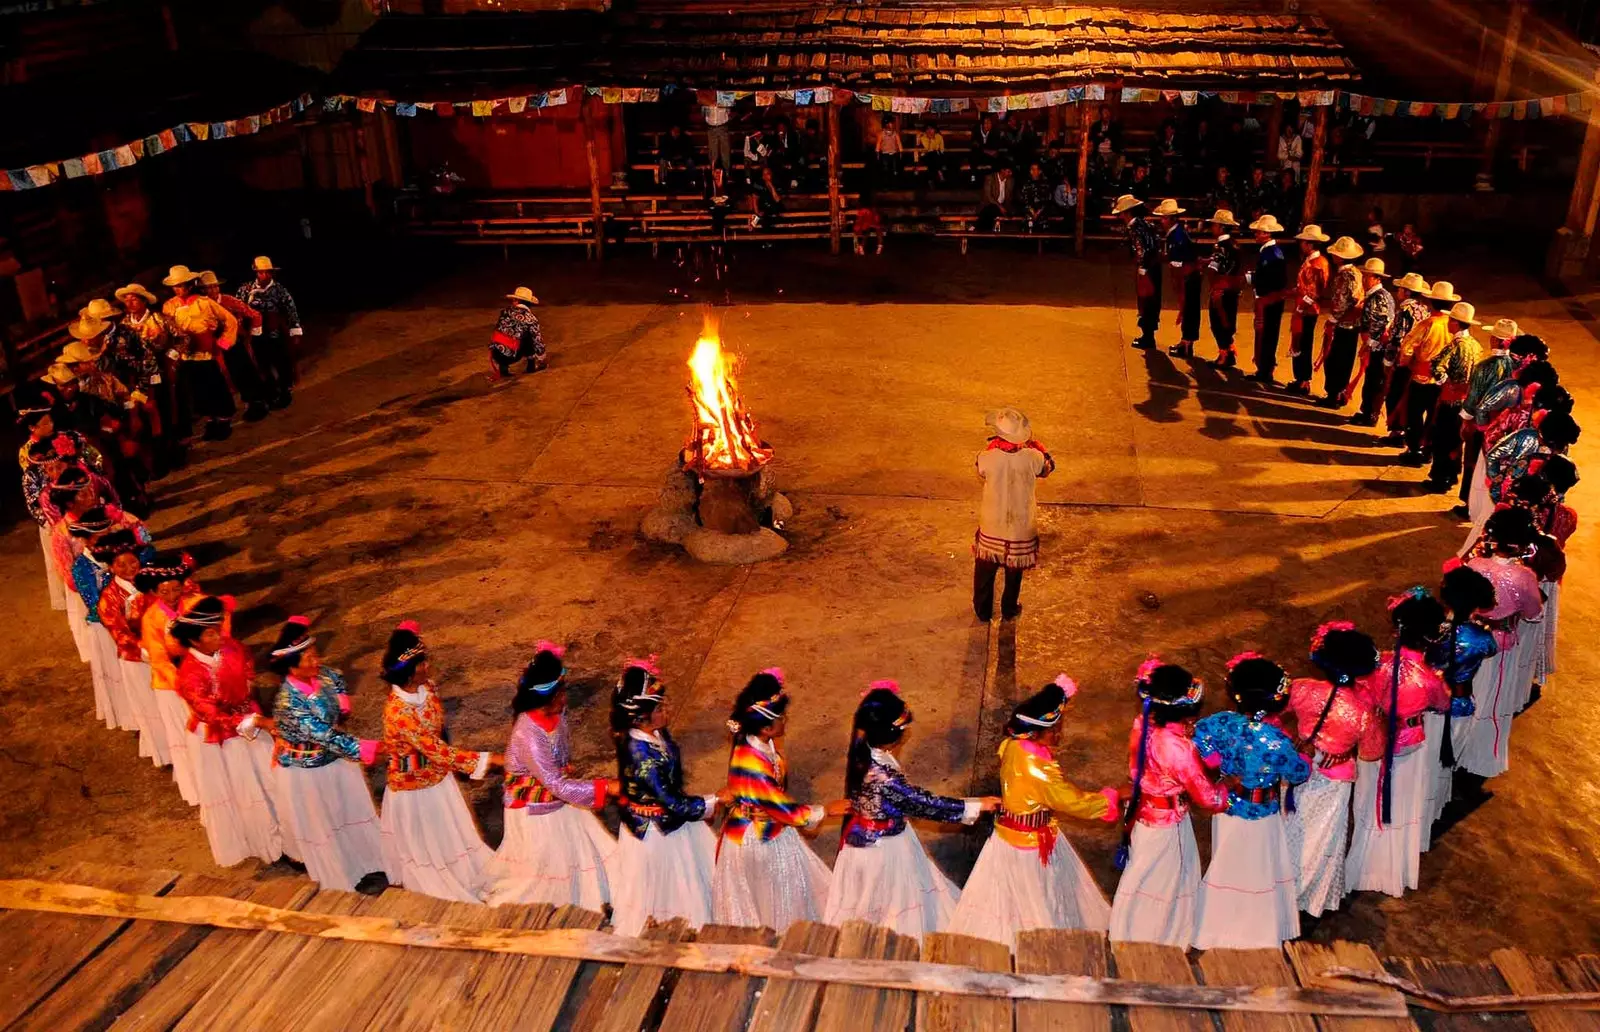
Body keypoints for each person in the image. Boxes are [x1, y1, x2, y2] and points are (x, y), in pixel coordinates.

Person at [951, 676, 1117, 947]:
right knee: (1038, 897)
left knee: (1008, 897)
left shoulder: (1012, 745)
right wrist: (1107, 799)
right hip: (1030, 844)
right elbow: (1071, 801)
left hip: (1009, 835)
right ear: (1035, 733)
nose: (1059, 734)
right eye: (1054, 729)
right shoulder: (1037, 767)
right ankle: (1040, 946)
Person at [825, 683, 997, 941]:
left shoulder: (864, 752)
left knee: (866, 908)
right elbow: (923, 804)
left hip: (865, 842)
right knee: (894, 908)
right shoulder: (882, 775)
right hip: (884, 852)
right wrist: (975, 805)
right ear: (891, 735)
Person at [483, 643, 619, 909]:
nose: (565, 698)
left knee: (588, 843)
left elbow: (558, 762)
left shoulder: (556, 713)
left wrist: (565, 768)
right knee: (548, 872)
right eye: (561, 693)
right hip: (533, 808)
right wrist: (605, 788)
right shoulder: (527, 733)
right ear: (549, 697)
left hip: (552, 794)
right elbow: (557, 785)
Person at [1190, 654, 1310, 949]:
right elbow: (1299, 773)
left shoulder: (1219, 723)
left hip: (1228, 806)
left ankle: (1218, 925)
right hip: (1261, 814)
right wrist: (1304, 753)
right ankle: (1254, 931)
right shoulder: (1276, 741)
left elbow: (1198, 738)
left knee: (1226, 863)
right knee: (1257, 871)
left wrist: (1218, 767)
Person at [378, 621, 499, 902]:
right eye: (422, 662)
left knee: (451, 838)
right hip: (414, 792)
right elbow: (438, 750)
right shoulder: (399, 714)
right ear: (410, 672)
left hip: (437, 780)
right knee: (429, 846)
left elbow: (439, 737)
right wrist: (487, 760)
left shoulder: (427, 688)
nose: (428, 666)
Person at [712, 669, 841, 932]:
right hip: (758, 840)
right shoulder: (753, 764)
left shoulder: (755, 741)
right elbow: (780, 806)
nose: (786, 721)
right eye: (782, 717)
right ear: (767, 727)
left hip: (765, 828)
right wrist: (824, 811)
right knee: (773, 897)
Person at [171, 595, 294, 868]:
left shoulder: (231, 647)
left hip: (248, 721)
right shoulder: (189, 675)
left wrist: (248, 697)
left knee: (270, 782)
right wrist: (258, 722)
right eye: (211, 634)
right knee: (247, 791)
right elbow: (212, 714)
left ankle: (288, 840)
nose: (220, 637)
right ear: (194, 641)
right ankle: (270, 846)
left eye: (219, 630)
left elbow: (247, 667)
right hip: (221, 740)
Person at [609, 658, 729, 937]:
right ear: (641, 717)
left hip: (668, 823)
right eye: (660, 708)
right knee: (669, 887)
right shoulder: (641, 756)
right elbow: (671, 802)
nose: (667, 711)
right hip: (655, 834)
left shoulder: (655, 733)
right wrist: (714, 801)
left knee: (692, 880)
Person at [1108, 660, 1225, 946]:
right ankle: (1161, 940)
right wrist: (1226, 789)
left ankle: (1126, 932)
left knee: (1141, 876)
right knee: (1167, 883)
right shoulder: (1176, 748)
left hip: (1143, 812)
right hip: (1167, 823)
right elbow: (1207, 797)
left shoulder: (1143, 723)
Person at [1343, 588, 1450, 898]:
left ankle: (1363, 860)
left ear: (1396, 629)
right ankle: (1392, 867)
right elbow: (1442, 704)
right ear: (1430, 637)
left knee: (1368, 803)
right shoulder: (1428, 678)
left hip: (1374, 746)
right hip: (1409, 746)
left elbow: (1361, 698)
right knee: (1399, 805)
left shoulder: (1377, 666)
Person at [269, 615, 387, 893]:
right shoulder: (288, 702)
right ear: (291, 667)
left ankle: (369, 859)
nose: (315, 661)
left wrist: (343, 700)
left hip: (335, 760)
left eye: (314, 654)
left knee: (349, 808)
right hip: (308, 770)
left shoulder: (322, 675)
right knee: (326, 821)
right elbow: (322, 735)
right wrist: (365, 749)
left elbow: (335, 677)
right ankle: (340, 876)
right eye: (308, 658)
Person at [1281, 624, 1380, 917]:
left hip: (1299, 770)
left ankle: (1280, 883)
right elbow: (1372, 751)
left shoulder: (1301, 689)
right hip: (1334, 781)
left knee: (1291, 828)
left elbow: (1272, 714)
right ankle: (1308, 896)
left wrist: (1295, 743)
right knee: (1320, 838)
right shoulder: (1362, 713)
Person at [1455, 510, 1544, 780]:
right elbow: (1534, 615)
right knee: (1490, 702)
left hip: (1467, 639)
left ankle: (1455, 748)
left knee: (1462, 694)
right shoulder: (1524, 576)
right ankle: (1478, 758)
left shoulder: (1475, 565)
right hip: (1500, 646)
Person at [1426, 564, 1499, 829]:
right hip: (1460, 704)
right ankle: (1436, 806)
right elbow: (1491, 650)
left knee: (1426, 758)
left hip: (1430, 705)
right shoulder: (1482, 638)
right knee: (1446, 760)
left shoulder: (1432, 631)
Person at [973, 408, 1054, 622]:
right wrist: (1043, 451)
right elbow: (1047, 468)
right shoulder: (1032, 457)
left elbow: (979, 470)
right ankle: (1009, 609)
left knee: (984, 573)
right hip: (1020, 528)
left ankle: (982, 610)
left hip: (992, 525)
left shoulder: (987, 457)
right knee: (1013, 575)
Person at [135, 551, 202, 792]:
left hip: (202, 675)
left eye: (176, 589)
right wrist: (185, 684)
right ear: (154, 592)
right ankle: (195, 787)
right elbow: (159, 658)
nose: (172, 596)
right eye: (164, 591)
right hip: (171, 685)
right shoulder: (151, 618)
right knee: (184, 733)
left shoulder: (197, 604)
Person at [94, 531, 159, 750]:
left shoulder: (152, 582)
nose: (129, 569)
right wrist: (146, 650)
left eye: (132, 562)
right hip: (137, 658)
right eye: (121, 565)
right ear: (111, 568)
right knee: (150, 704)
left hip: (163, 652)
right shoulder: (109, 597)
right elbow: (119, 633)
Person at [160, 265, 238, 444]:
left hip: (206, 353)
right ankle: (210, 419)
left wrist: (223, 343)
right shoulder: (169, 306)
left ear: (189, 285)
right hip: (186, 355)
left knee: (215, 385)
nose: (179, 289)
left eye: (182, 285)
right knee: (197, 389)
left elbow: (230, 321)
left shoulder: (204, 302)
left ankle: (224, 419)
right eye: (176, 286)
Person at [1453, 321, 1524, 517]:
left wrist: (1466, 420)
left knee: (1474, 465)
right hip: (1507, 427)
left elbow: (1474, 398)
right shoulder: (1518, 367)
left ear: (1494, 339)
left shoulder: (1485, 367)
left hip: (1482, 425)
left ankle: (1469, 505)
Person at [1393, 280, 1459, 465]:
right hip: (1444, 381)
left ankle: (1414, 449)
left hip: (1422, 377)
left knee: (1414, 414)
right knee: (1434, 416)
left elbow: (1407, 348)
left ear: (1431, 302)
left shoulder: (1427, 324)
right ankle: (1428, 449)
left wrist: (1406, 363)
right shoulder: (1454, 326)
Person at [1425, 301, 1483, 493]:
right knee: (1456, 440)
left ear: (1456, 323)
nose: (1448, 323)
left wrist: (1445, 383)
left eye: (1451, 320)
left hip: (1450, 400)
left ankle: (1440, 478)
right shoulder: (1475, 345)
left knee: (1442, 439)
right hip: (1466, 402)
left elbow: (1436, 366)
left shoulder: (1455, 346)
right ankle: (1451, 475)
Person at [199, 270, 269, 423]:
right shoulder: (202, 305)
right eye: (207, 288)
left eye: (213, 287)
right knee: (226, 376)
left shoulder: (228, 301)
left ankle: (256, 402)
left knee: (244, 372)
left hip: (234, 344)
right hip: (217, 347)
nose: (211, 290)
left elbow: (254, 315)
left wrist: (253, 335)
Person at [235, 256, 302, 410]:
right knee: (262, 364)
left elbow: (291, 310)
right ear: (256, 273)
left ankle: (285, 390)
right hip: (255, 334)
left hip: (275, 332)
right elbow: (238, 309)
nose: (264, 276)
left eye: (267, 272)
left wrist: (295, 330)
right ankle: (270, 392)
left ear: (272, 273)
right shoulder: (246, 290)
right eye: (261, 273)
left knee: (281, 361)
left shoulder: (279, 290)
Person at [1382, 272, 1434, 445]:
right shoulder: (1424, 309)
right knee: (1406, 396)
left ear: (1406, 292)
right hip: (1416, 362)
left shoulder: (1405, 311)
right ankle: (1404, 431)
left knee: (1395, 394)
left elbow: (1398, 339)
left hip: (1403, 360)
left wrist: (1389, 361)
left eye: (1401, 289)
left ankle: (1396, 432)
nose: (1398, 291)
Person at [1316, 236, 1366, 407]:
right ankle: (1339, 392)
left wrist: (1334, 318)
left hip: (1342, 324)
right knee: (1345, 360)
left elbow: (1346, 302)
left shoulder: (1345, 276)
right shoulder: (1356, 273)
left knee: (1334, 359)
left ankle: (1334, 394)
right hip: (1351, 324)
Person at [1285, 224, 1331, 395]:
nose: (1301, 245)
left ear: (1310, 244)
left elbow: (1314, 293)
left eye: (1303, 242)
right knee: (1302, 343)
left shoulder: (1316, 264)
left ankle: (1303, 380)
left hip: (1307, 310)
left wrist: (1300, 306)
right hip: (1306, 308)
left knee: (1302, 344)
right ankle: (1301, 378)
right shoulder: (1315, 262)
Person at [1350, 259, 1396, 424]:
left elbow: (1381, 324)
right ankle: (1368, 410)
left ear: (1377, 278)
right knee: (1372, 379)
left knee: (1373, 381)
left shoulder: (1379, 297)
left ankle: (1369, 413)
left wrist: (1369, 344)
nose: (1364, 279)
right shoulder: (1380, 296)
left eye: (1367, 276)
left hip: (1379, 347)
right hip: (1378, 345)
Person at [1154, 199, 1201, 359]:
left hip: (1187, 276)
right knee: (1188, 308)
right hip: (1187, 274)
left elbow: (1178, 263)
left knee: (1188, 308)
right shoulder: (1176, 233)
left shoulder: (1178, 236)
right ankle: (1186, 340)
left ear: (1171, 219)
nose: (1162, 221)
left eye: (1164, 218)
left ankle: (1187, 343)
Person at [1247, 215, 1289, 385]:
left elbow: (1276, 281)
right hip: (1268, 298)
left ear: (1266, 233)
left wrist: (1256, 281)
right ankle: (1263, 367)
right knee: (1265, 333)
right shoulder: (1268, 251)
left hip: (1270, 300)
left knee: (1268, 334)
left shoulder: (1273, 254)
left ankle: (1265, 368)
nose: (1256, 234)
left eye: (1258, 232)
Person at [1116, 195, 1161, 350]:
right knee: (1150, 301)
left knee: (1146, 300)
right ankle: (1148, 335)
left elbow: (1143, 250)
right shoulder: (1144, 225)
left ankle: (1148, 337)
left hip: (1147, 269)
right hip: (1152, 267)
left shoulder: (1136, 228)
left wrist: (1142, 268)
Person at [1205, 209, 1244, 369]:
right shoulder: (1235, 245)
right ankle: (1228, 351)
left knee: (1218, 321)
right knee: (1228, 320)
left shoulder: (1220, 246)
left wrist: (1213, 283)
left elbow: (1214, 269)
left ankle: (1224, 355)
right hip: (1232, 289)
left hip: (1221, 290)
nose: (1212, 228)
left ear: (1221, 227)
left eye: (1214, 225)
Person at [488, 286, 546, 383]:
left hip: (495, 353)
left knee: (509, 335)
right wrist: (542, 358)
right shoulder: (531, 319)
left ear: (516, 301)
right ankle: (531, 366)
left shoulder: (505, 312)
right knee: (529, 336)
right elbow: (538, 342)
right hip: (512, 355)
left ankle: (503, 368)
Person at [657, 123, 699, 191]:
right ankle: (663, 183)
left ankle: (692, 182)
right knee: (662, 161)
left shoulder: (684, 138)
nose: (676, 132)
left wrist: (681, 156)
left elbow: (690, 150)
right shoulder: (665, 138)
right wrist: (670, 157)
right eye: (674, 130)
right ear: (671, 131)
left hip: (682, 158)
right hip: (669, 158)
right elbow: (662, 151)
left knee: (690, 161)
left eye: (678, 130)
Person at [978, 164, 1015, 232]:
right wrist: (999, 206)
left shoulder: (1010, 180)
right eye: (1008, 171)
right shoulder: (990, 178)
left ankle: (977, 228)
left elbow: (1009, 197)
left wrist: (1006, 208)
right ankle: (981, 231)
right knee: (991, 209)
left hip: (1002, 207)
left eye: (1011, 171)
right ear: (1002, 170)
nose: (1011, 173)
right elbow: (989, 197)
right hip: (989, 206)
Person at [1020, 162, 1053, 233]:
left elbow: (1047, 199)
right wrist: (1032, 211)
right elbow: (1024, 199)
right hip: (1029, 213)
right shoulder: (1026, 183)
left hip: (1042, 213)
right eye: (1031, 169)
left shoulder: (1045, 184)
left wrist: (1038, 212)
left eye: (1034, 169)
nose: (1032, 171)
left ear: (1040, 171)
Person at [751, 166, 784, 232]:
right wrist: (757, 212)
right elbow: (755, 199)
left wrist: (771, 186)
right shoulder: (759, 184)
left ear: (771, 174)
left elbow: (777, 200)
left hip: (774, 207)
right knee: (764, 218)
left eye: (768, 174)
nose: (766, 176)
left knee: (775, 216)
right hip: (763, 208)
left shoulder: (777, 183)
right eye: (764, 174)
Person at [702, 100, 732, 170]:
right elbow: (703, 113)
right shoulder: (707, 97)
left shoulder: (724, 96)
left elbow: (729, 111)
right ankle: (713, 172)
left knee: (725, 151)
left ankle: (727, 171)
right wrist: (707, 104)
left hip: (723, 127)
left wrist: (723, 103)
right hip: (711, 128)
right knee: (713, 152)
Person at [875, 117, 903, 182]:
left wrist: (901, 151)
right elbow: (878, 143)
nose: (891, 125)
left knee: (895, 169)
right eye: (890, 123)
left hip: (894, 153)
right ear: (886, 125)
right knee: (885, 169)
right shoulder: (881, 134)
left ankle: (894, 183)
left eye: (892, 123)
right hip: (885, 154)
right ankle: (886, 183)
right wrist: (877, 152)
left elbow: (899, 142)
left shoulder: (895, 134)